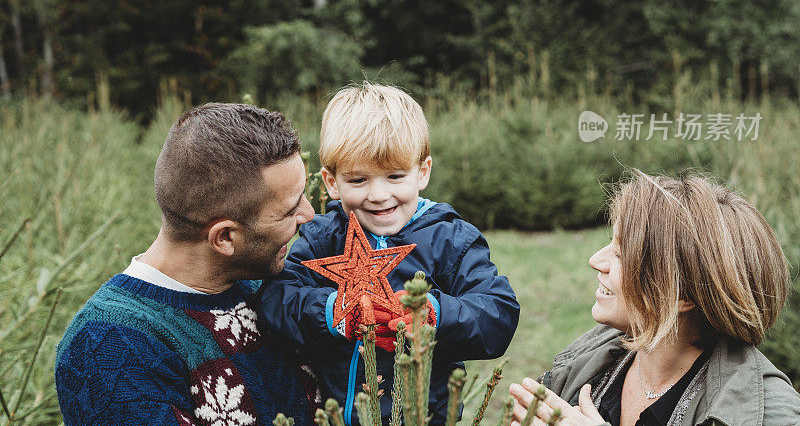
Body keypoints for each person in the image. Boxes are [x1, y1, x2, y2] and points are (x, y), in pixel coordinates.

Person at [259, 83, 520, 426]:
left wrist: (433, 314)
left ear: (422, 172)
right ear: (331, 182)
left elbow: (498, 313)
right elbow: (276, 299)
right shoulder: (324, 237)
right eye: (358, 180)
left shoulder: (451, 238)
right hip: (338, 417)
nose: (379, 195)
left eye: (396, 176)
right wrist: (333, 312)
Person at [55, 103, 319, 426]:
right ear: (224, 239)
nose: (310, 216)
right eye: (290, 210)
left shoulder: (270, 289)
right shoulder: (108, 347)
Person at [508, 172, 800, 426]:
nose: (595, 260)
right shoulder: (586, 359)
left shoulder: (765, 413)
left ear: (681, 295)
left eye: (622, 253)